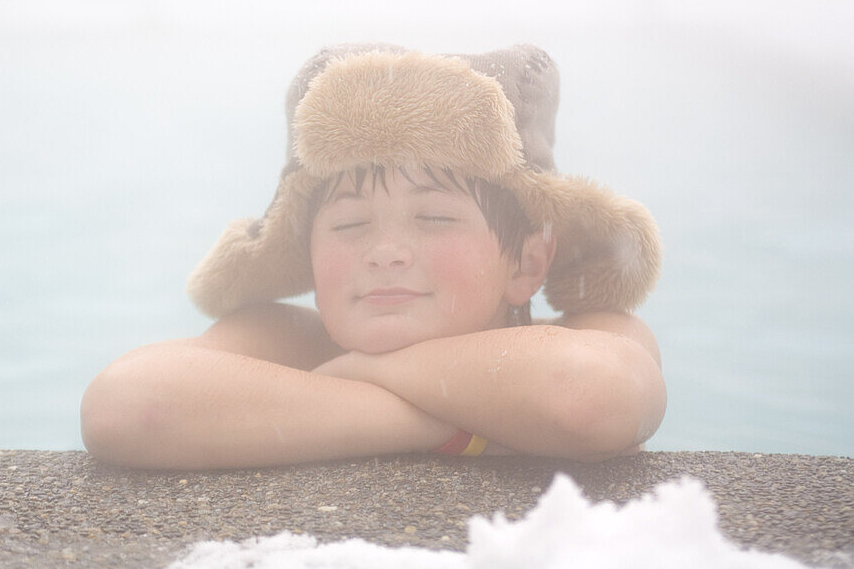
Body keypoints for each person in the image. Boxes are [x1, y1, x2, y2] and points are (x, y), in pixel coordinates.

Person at [81, 44, 666, 468]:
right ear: (307, 255)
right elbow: (127, 405)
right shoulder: (289, 339)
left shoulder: (596, 331)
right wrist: (438, 420)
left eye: (434, 218)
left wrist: (364, 370)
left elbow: (596, 397)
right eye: (350, 223)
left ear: (529, 262)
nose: (385, 253)